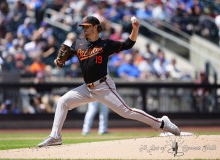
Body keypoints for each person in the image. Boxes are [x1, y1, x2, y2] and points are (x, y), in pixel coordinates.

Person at [38, 16, 180, 147]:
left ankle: (161, 123)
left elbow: (128, 44)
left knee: (127, 112)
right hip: (87, 88)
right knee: (63, 101)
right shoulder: (78, 43)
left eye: (87, 26)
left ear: (95, 27)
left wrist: (135, 29)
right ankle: (55, 136)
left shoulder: (105, 44)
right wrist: (59, 61)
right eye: (83, 27)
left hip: (103, 86)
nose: (84, 29)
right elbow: (67, 55)